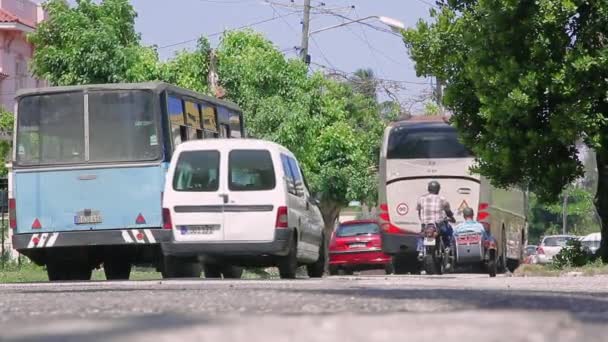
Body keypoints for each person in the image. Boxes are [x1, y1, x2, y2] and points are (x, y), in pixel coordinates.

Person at [416, 181, 455, 253]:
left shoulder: (421, 199)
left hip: (425, 225)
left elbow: (419, 212)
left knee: (421, 235)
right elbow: (448, 212)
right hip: (438, 225)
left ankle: (420, 250)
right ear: (438, 189)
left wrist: (422, 221)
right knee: (447, 232)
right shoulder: (442, 199)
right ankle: (447, 247)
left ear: (428, 189)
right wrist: (452, 218)